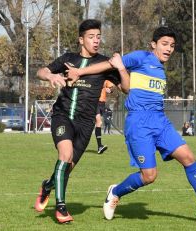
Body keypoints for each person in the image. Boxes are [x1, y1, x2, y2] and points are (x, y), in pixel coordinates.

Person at [66, 27, 196, 224]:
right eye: (164, 44)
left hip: (160, 122)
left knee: (189, 158)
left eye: (172, 46)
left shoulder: (160, 67)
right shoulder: (141, 57)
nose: (169, 49)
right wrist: (81, 71)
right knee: (149, 176)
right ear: (153, 44)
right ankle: (115, 192)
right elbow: (108, 65)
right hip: (139, 124)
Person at [33, 19, 124, 224]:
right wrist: (50, 76)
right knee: (64, 156)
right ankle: (61, 208)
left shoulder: (104, 64)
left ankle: (47, 186)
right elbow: (41, 71)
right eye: (91, 37)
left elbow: (125, 87)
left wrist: (121, 70)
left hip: (85, 124)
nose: (96, 41)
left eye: (98, 37)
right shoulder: (68, 58)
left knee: (66, 168)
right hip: (63, 116)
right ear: (81, 39)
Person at [95, 80, 114, 154]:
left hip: (102, 103)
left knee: (98, 123)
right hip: (94, 101)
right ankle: (99, 146)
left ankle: (99, 147)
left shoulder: (106, 79)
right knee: (99, 122)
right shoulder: (94, 76)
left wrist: (110, 90)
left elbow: (111, 88)